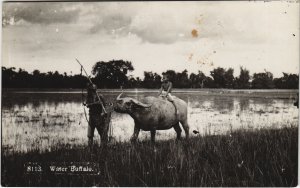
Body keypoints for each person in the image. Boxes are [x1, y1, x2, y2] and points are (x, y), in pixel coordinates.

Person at [84, 82, 111, 149]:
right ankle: (90, 148)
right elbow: (87, 104)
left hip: (98, 117)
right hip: (91, 117)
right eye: (91, 89)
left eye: (93, 89)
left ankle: (103, 148)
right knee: (90, 135)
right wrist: (94, 103)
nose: (92, 91)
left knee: (102, 134)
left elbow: (105, 106)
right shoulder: (89, 97)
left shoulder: (100, 96)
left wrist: (103, 113)